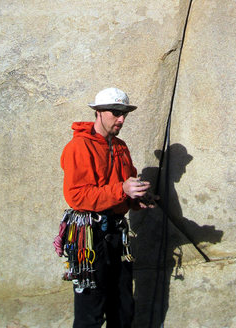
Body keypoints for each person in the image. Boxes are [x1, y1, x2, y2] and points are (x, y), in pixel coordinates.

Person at [60, 87, 156, 328]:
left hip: (116, 235)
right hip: (90, 238)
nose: (121, 119)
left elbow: (123, 189)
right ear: (99, 113)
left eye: (124, 114)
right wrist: (122, 190)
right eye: (116, 113)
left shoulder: (121, 147)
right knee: (90, 314)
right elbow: (77, 196)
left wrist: (137, 199)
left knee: (123, 308)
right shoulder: (79, 147)